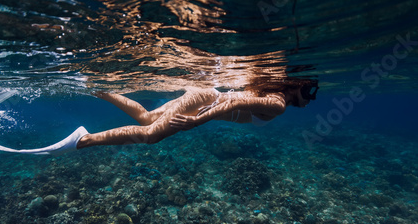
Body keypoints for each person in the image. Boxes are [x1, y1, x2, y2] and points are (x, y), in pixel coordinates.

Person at [76, 79, 318, 149]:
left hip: (205, 95)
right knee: (150, 135)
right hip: (206, 99)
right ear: (296, 86)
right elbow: (234, 104)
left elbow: (236, 102)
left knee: (147, 119)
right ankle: (85, 139)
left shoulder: (272, 95)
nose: (310, 99)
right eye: (310, 91)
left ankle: (100, 90)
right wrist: (197, 120)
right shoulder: (278, 104)